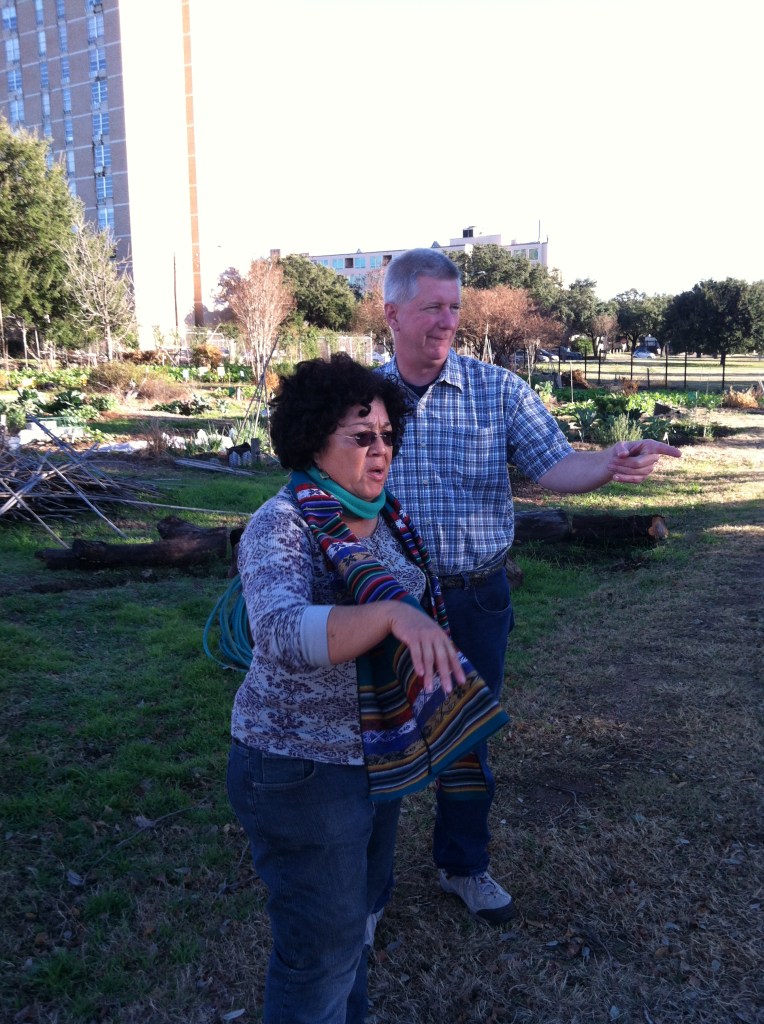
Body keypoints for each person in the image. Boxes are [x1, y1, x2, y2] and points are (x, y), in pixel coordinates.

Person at [381, 248, 682, 925]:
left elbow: (555, 468)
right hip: (388, 605)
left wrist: (607, 462)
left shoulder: (498, 391)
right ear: (392, 311)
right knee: (382, 740)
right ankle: (367, 893)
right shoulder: (363, 398)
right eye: (432, 306)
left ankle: (462, 865)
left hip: (475, 597)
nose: (446, 320)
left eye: (453, 307)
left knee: (466, 741)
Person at [226, 353, 508, 1024]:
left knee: (347, 934)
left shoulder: (382, 519)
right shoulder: (282, 524)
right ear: (312, 440)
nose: (380, 449)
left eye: (386, 435)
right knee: (317, 954)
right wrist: (388, 614)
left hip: (376, 756)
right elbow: (280, 632)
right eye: (361, 436)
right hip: (300, 770)